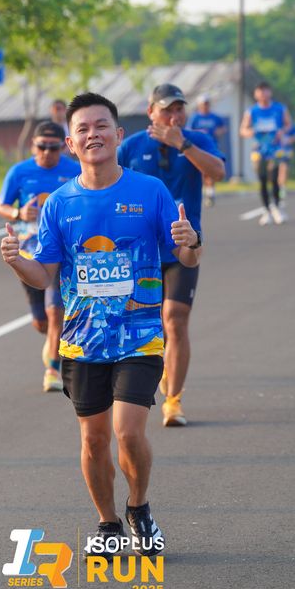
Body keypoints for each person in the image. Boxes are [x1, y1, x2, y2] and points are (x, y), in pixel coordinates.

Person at [1, 92, 202, 557]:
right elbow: (44, 274)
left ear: (118, 134)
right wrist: (16, 261)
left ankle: (139, 505)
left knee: (128, 431)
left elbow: (185, 255)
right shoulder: (60, 203)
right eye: (83, 129)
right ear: (72, 144)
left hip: (140, 336)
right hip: (82, 342)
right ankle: (108, 522)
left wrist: (191, 243)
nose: (93, 134)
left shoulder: (150, 191)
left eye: (101, 125)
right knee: (93, 441)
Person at [118, 83, 225, 427]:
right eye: (167, 110)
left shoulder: (197, 140)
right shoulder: (132, 147)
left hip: (183, 246)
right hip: (139, 251)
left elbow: (218, 173)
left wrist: (183, 144)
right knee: (149, 322)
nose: (175, 116)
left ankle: (173, 401)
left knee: (175, 317)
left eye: (180, 109)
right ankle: (157, 370)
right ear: (151, 113)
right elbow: (106, 184)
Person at [0, 121, 80, 392]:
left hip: (60, 253)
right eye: (42, 146)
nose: (47, 152)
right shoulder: (19, 172)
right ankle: (52, 342)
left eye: (53, 147)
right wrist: (18, 213)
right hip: (29, 253)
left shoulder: (74, 170)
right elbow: (1, 206)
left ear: (63, 147)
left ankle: (52, 370)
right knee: (41, 322)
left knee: (56, 313)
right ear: (33, 145)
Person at [240, 81, 292, 226]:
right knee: (262, 179)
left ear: (270, 92)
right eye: (260, 91)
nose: (263, 93)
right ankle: (266, 210)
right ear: (256, 94)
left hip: (275, 149)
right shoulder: (251, 111)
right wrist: (252, 131)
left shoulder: (280, 109)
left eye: (265, 90)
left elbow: (289, 124)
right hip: (259, 149)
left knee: (274, 177)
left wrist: (282, 131)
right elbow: (243, 130)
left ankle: (277, 207)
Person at [189, 94, 227, 207]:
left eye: (207, 104)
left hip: (211, 148)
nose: (205, 106)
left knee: (210, 171)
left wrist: (218, 132)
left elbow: (223, 128)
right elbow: (189, 130)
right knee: (201, 172)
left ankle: (210, 194)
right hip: (198, 149)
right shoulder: (195, 118)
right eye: (203, 104)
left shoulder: (214, 117)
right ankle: (202, 193)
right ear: (199, 105)